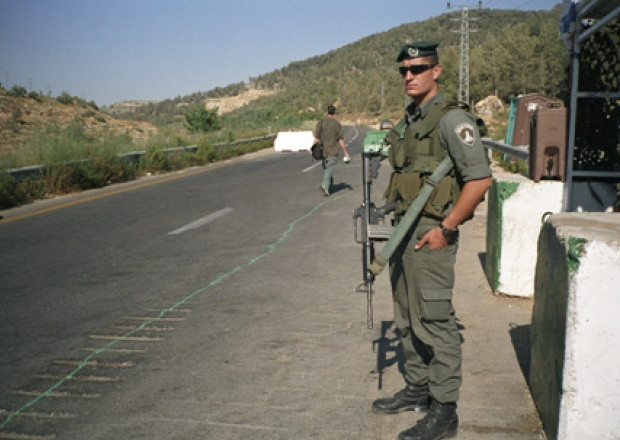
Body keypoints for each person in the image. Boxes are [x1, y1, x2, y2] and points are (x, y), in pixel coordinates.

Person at [372, 41, 492, 440]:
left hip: (431, 232)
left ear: (436, 71)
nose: (409, 76)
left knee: (435, 320)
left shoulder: (451, 119)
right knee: (407, 316)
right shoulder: (412, 119)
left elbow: (479, 180)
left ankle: (444, 411)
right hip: (405, 230)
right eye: (404, 70)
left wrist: (448, 228)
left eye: (418, 68)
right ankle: (418, 387)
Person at [313, 105, 350, 196]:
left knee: (327, 168)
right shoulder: (337, 124)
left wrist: (313, 149)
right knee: (328, 168)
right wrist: (345, 152)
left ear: (327, 111)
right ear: (334, 113)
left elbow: (316, 137)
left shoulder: (321, 122)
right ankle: (327, 185)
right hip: (333, 150)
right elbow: (340, 139)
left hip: (323, 150)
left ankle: (326, 186)